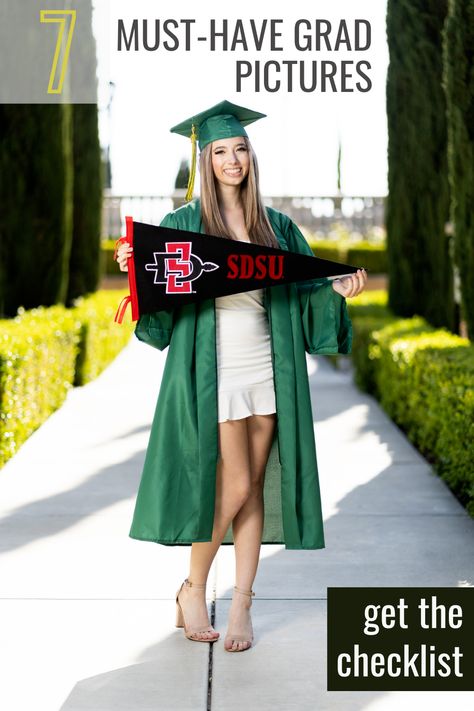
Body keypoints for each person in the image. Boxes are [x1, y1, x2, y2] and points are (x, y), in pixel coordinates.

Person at [116, 100, 367, 653]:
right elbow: (158, 305)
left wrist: (336, 291)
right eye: (221, 151)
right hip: (216, 370)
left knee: (252, 485)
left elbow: (306, 296)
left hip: (267, 366)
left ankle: (242, 606)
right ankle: (194, 588)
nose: (233, 160)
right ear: (204, 159)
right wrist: (137, 273)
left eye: (240, 150)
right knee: (231, 483)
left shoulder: (275, 227)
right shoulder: (184, 225)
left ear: (251, 156)